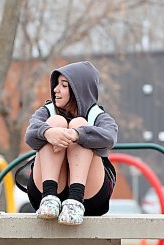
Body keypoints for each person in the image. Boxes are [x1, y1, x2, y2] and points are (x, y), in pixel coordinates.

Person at [24, 61, 117, 225]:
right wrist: (48, 132)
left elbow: (110, 137)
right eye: (56, 84)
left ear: (78, 90)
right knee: (55, 122)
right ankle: (50, 198)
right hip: (44, 193)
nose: (55, 90)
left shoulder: (97, 115)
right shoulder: (48, 111)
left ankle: (75, 200)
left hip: (89, 196)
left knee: (79, 124)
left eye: (64, 85)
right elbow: (30, 135)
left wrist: (77, 134)